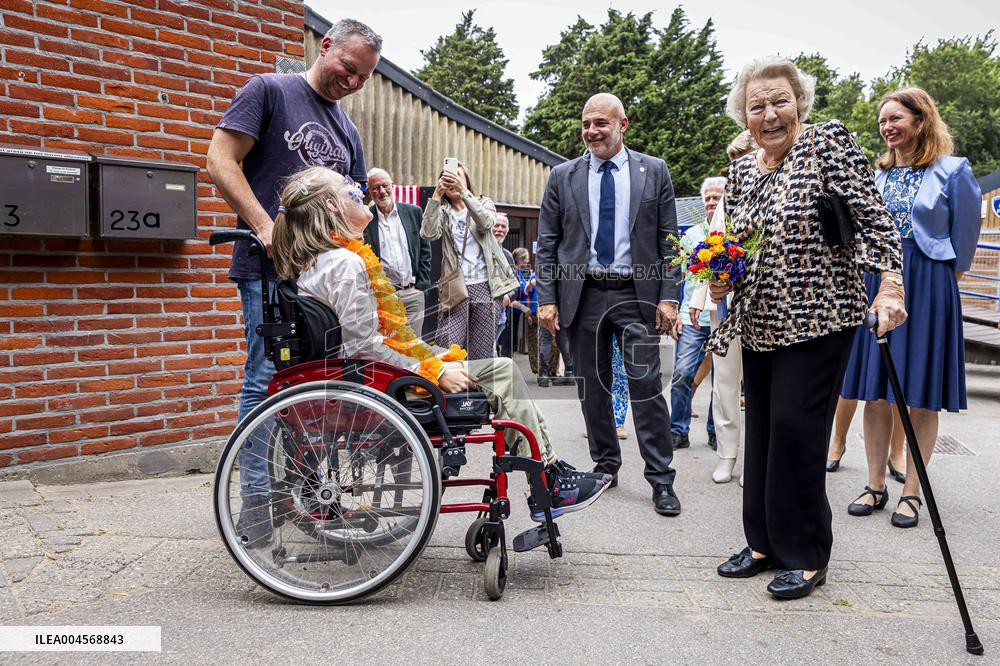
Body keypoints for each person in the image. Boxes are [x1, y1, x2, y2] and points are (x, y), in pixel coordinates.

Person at [270, 167, 611, 524]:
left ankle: (549, 470)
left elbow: (378, 340)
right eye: (349, 188)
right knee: (503, 374)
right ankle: (547, 480)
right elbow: (364, 348)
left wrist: (430, 356)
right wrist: (431, 370)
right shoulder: (344, 264)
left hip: (369, 375)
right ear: (331, 205)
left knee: (502, 370)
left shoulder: (331, 260)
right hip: (374, 384)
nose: (358, 190)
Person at [709, 57, 904, 599]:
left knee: (796, 428)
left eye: (780, 101)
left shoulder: (825, 144)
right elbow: (740, 246)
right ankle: (763, 543)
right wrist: (722, 276)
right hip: (760, 319)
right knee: (765, 431)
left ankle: (806, 552)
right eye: (757, 106)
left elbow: (873, 218)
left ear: (799, 103)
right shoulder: (742, 172)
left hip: (820, 315)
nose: (769, 114)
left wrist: (891, 285)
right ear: (743, 116)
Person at [205, 18, 381, 542]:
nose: (353, 81)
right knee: (265, 380)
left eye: (364, 77)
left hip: (321, 279)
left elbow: (349, 207)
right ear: (325, 46)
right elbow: (220, 160)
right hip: (268, 271)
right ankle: (257, 500)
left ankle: (310, 489)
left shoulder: (347, 130)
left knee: (318, 385)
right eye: (348, 67)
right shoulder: (268, 91)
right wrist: (266, 228)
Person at [841, 87, 982, 528]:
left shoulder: (953, 170)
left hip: (930, 283)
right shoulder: (877, 176)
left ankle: (912, 492)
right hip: (876, 281)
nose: (888, 127)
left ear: (921, 120)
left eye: (896, 118)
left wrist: (940, 284)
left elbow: (965, 239)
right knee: (875, 390)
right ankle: (874, 484)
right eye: (883, 121)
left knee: (921, 393)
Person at [536, 92, 682, 515]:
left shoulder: (654, 171)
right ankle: (605, 467)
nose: (592, 131)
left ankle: (661, 479)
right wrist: (547, 299)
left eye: (600, 122)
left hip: (636, 296)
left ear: (623, 124)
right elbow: (547, 243)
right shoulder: (562, 176)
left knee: (646, 387)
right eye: (586, 124)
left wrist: (669, 296)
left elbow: (669, 241)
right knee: (592, 388)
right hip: (582, 297)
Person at [690, 133, 758, 485]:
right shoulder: (728, 200)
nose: (739, 169)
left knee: (760, 387)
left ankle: (755, 459)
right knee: (724, 384)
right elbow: (711, 251)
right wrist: (699, 298)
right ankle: (727, 454)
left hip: (764, 305)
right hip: (725, 306)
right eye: (734, 164)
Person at [421, 161, 519, 360]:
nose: (452, 180)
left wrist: (464, 193)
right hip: (455, 285)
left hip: (486, 285)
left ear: (466, 180)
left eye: (457, 176)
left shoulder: (484, 203)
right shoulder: (442, 210)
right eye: (447, 177)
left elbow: (485, 224)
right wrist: (436, 196)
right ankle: (450, 381)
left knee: (481, 352)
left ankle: (478, 381)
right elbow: (428, 233)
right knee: (447, 348)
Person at [669, 177, 723, 453]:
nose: (711, 202)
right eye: (708, 198)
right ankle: (678, 431)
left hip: (724, 318)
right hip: (692, 319)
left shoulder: (736, 233)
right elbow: (677, 278)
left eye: (717, 197)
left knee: (721, 381)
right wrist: (675, 311)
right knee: (681, 374)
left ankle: (716, 431)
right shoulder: (690, 236)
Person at [364, 167, 432, 339]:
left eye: (385, 185)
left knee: (414, 345)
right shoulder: (366, 219)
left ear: (392, 185)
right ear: (369, 191)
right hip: (384, 297)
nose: (381, 191)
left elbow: (425, 249)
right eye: (375, 188)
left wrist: (421, 286)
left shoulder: (414, 212)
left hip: (413, 293)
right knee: (390, 344)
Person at [492, 214, 521, 357]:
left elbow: (516, 285)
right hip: (480, 311)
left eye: (503, 226)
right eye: (496, 225)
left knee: (491, 351)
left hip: (500, 315)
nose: (499, 229)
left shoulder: (508, 256)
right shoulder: (478, 251)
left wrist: (508, 296)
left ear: (507, 230)